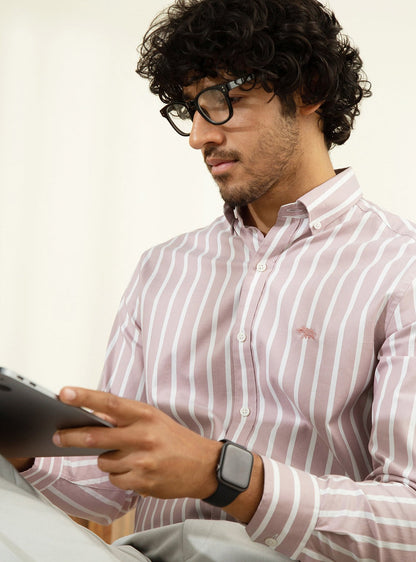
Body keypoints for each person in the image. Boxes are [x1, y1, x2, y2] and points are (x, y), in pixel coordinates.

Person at [3, 0, 416, 560]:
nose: (199, 136)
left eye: (225, 100)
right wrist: (21, 450)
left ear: (309, 88)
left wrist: (221, 474)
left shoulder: (402, 267)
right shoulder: (165, 268)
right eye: (191, 108)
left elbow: (410, 517)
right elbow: (108, 489)